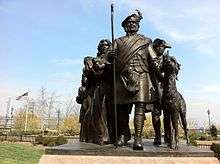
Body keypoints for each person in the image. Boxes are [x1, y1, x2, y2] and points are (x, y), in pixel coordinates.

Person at [108, 10, 152, 150]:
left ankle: (138, 138)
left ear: (138, 25)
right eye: (129, 23)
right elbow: (107, 59)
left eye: (135, 22)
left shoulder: (145, 41)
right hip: (122, 77)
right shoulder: (118, 41)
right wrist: (111, 56)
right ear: (125, 26)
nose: (132, 24)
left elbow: (153, 59)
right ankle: (122, 135)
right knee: (121, 109)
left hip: (141, 75)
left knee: (139, 107)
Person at [148, 38, 172, 145]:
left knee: (168, 114)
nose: (162, 49)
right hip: (153, 89)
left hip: (165, 90)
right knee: (156, 114)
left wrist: (168, 64)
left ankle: (168, 136)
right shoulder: (150, 59)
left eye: (163, 47)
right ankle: (157, 136)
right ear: (155, 47)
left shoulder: (168, 59)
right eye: (160, 47)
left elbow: (172, 73)